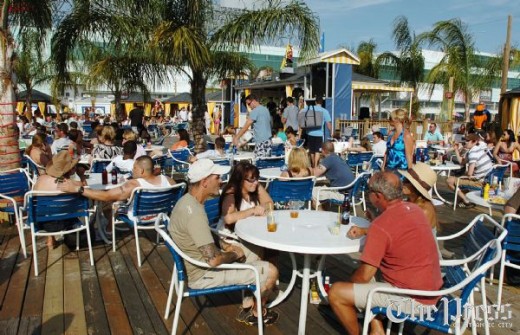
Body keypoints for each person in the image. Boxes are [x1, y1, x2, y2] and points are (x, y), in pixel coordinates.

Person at [329, 172, 442, 335]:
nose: (368, 195)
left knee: (338, 292)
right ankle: (376, 326)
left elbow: (364, 277)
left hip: (415, 300)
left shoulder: (381, 226)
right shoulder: (415, 210)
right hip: (433, 290)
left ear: (377, 196)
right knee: (363, 278)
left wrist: (350, 286)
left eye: (369, 191)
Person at [169, 159, 279, 325]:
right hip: (203, 275)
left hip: (195, 263)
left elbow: (202, 241)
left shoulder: (187, 202)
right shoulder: (194, 213)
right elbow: (213, 260)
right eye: (217, 177)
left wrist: (228, 248)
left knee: (255, 252)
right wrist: (234, 253)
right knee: (271, 271)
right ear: (205, 182)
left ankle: (250, 297)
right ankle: (257, 314)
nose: (221, 181)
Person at [58, 156, 176, 228]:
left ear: (142, 170)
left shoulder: (134, 185)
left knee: (108, 204)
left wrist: (78, 189)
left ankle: (109, 229)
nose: (132, 170)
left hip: (140, 218)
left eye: (134, 168)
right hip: (162, 216)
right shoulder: (170, 181)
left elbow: (106, 196)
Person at [34, 151, 83, 248]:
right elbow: (85, 189)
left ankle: (50, 238)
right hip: (67, 221)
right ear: (71, 169)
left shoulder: (41, 179)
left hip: (43, 223)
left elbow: (35, 196)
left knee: (48, 208)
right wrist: (82, 176)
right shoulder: (71, 184)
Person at [446, 133, 493, 208]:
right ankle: (459, 202)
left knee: (449, 180)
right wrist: (456, 150)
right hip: (486, 180)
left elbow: (470, 174)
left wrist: (461, 176)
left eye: (467, 140)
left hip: (480, 182)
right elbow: (462, 162)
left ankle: (466, 201)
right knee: (459, 179)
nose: (465, 142)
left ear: (474, 142)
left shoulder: (473, 153)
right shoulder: (477, 149)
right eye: (464, 140)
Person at [312, 141, 355, 206]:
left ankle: (321, 213)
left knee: (311, 191)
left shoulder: (328, 159)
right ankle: (324, 209)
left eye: (321, 150)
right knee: (323, 187)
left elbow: (314, 174)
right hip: (351, 192)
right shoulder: (337, 157)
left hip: (342, 195)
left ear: (324, 151)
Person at [299, 97, 332, 168]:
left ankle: (313, 164)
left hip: (310, 133)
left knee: (312, 150)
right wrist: (331, 132)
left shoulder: (310, 108)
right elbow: (328, 124)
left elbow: (301, 112)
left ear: (315, 102)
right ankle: (316, 165)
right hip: (319, 134)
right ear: (322, 103)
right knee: (317, 150)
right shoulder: (324, 111)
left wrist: (301, 104)